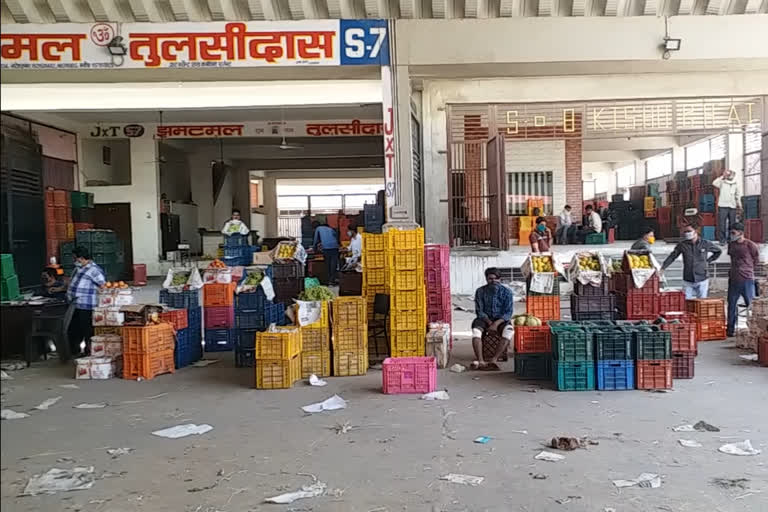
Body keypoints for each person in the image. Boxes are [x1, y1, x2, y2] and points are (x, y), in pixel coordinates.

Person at [660, 224, 722, 299]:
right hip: (688, 279)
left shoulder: (705, 243)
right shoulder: (682, 245)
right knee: (686, 302)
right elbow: (672, 256)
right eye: (685, 232)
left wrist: (708, 261)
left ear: (696, 231)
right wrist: (663, 267)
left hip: (702, 278)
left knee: (701, 303)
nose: (687, 233)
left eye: (689, 231)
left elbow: (718, 251)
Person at [471, 268, 515, 371]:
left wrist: (496, 324)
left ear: (500, 279)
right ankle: (481, 360)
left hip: (501, 320)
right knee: (476, 332)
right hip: (484, 319)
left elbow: (508, 313)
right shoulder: (480, 291)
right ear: (486, 279)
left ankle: (494, 360)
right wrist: (490, 322)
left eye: (497, 279)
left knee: (509, 332)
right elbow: (479, 311)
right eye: (491, 279)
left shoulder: (507, 292)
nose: (494, 281)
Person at [67, 246, 106, 356]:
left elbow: (103, 285)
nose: (75, 260)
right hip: (75, 304)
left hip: (87, 305)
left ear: (81, 258)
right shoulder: (78, 269)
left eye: (76, 258)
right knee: (75, 329)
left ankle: (89, 351)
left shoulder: (94, 270)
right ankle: (75, 351)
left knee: (87, 329)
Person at [726, 223, 759, 337]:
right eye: (731, 233)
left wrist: (748, 269)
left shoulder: (750, 245)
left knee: (750, 305)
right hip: (734, 279)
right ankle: (730, 329)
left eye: (733, 233)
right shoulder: (731, 245)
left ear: (740, 233)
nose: (731, 235)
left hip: (747, 279)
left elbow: (756, 259)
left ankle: (754, 330)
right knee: (731, 305)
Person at [712, 169, 741, 245]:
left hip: (732, 206)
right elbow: (714, 183)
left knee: (732, 224)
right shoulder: (722, 182)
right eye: (729, 174)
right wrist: (722, 176)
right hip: (723, 206)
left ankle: (731, 239)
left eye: (731, 174)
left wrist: (739, 205)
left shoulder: (735, 184)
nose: (730, 176)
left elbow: (737, 195)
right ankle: (722, 240)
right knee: (722, 224)